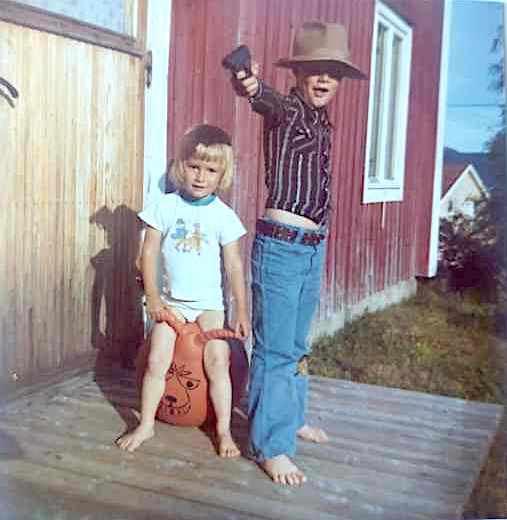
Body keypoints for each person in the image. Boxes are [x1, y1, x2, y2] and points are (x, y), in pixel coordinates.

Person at [231, 21, 365, 485]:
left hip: (313, 246)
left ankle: (289, 416)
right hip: (282, 247)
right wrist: (246, 79)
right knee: (274, 347)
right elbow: (259, 95)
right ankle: (270, 446)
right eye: (315, 69)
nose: (324, 78)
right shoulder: (286, 109)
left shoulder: (322, 121)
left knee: (296, 345)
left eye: (333, 71)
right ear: (298, 74)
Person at [116, 124, 250, 458]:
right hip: (171, 303)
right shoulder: (165, 206)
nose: (201, 177)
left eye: (211, 170)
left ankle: (223, 430)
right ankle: (146, 424)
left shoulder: (224, 217)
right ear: (181, 166)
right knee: (157, 358)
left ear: (222, 175)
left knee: (217, 360)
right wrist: (153, 299)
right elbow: (148, 254)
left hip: (209, 306)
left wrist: (242, 311)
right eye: (194, 167)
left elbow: (234, 266)